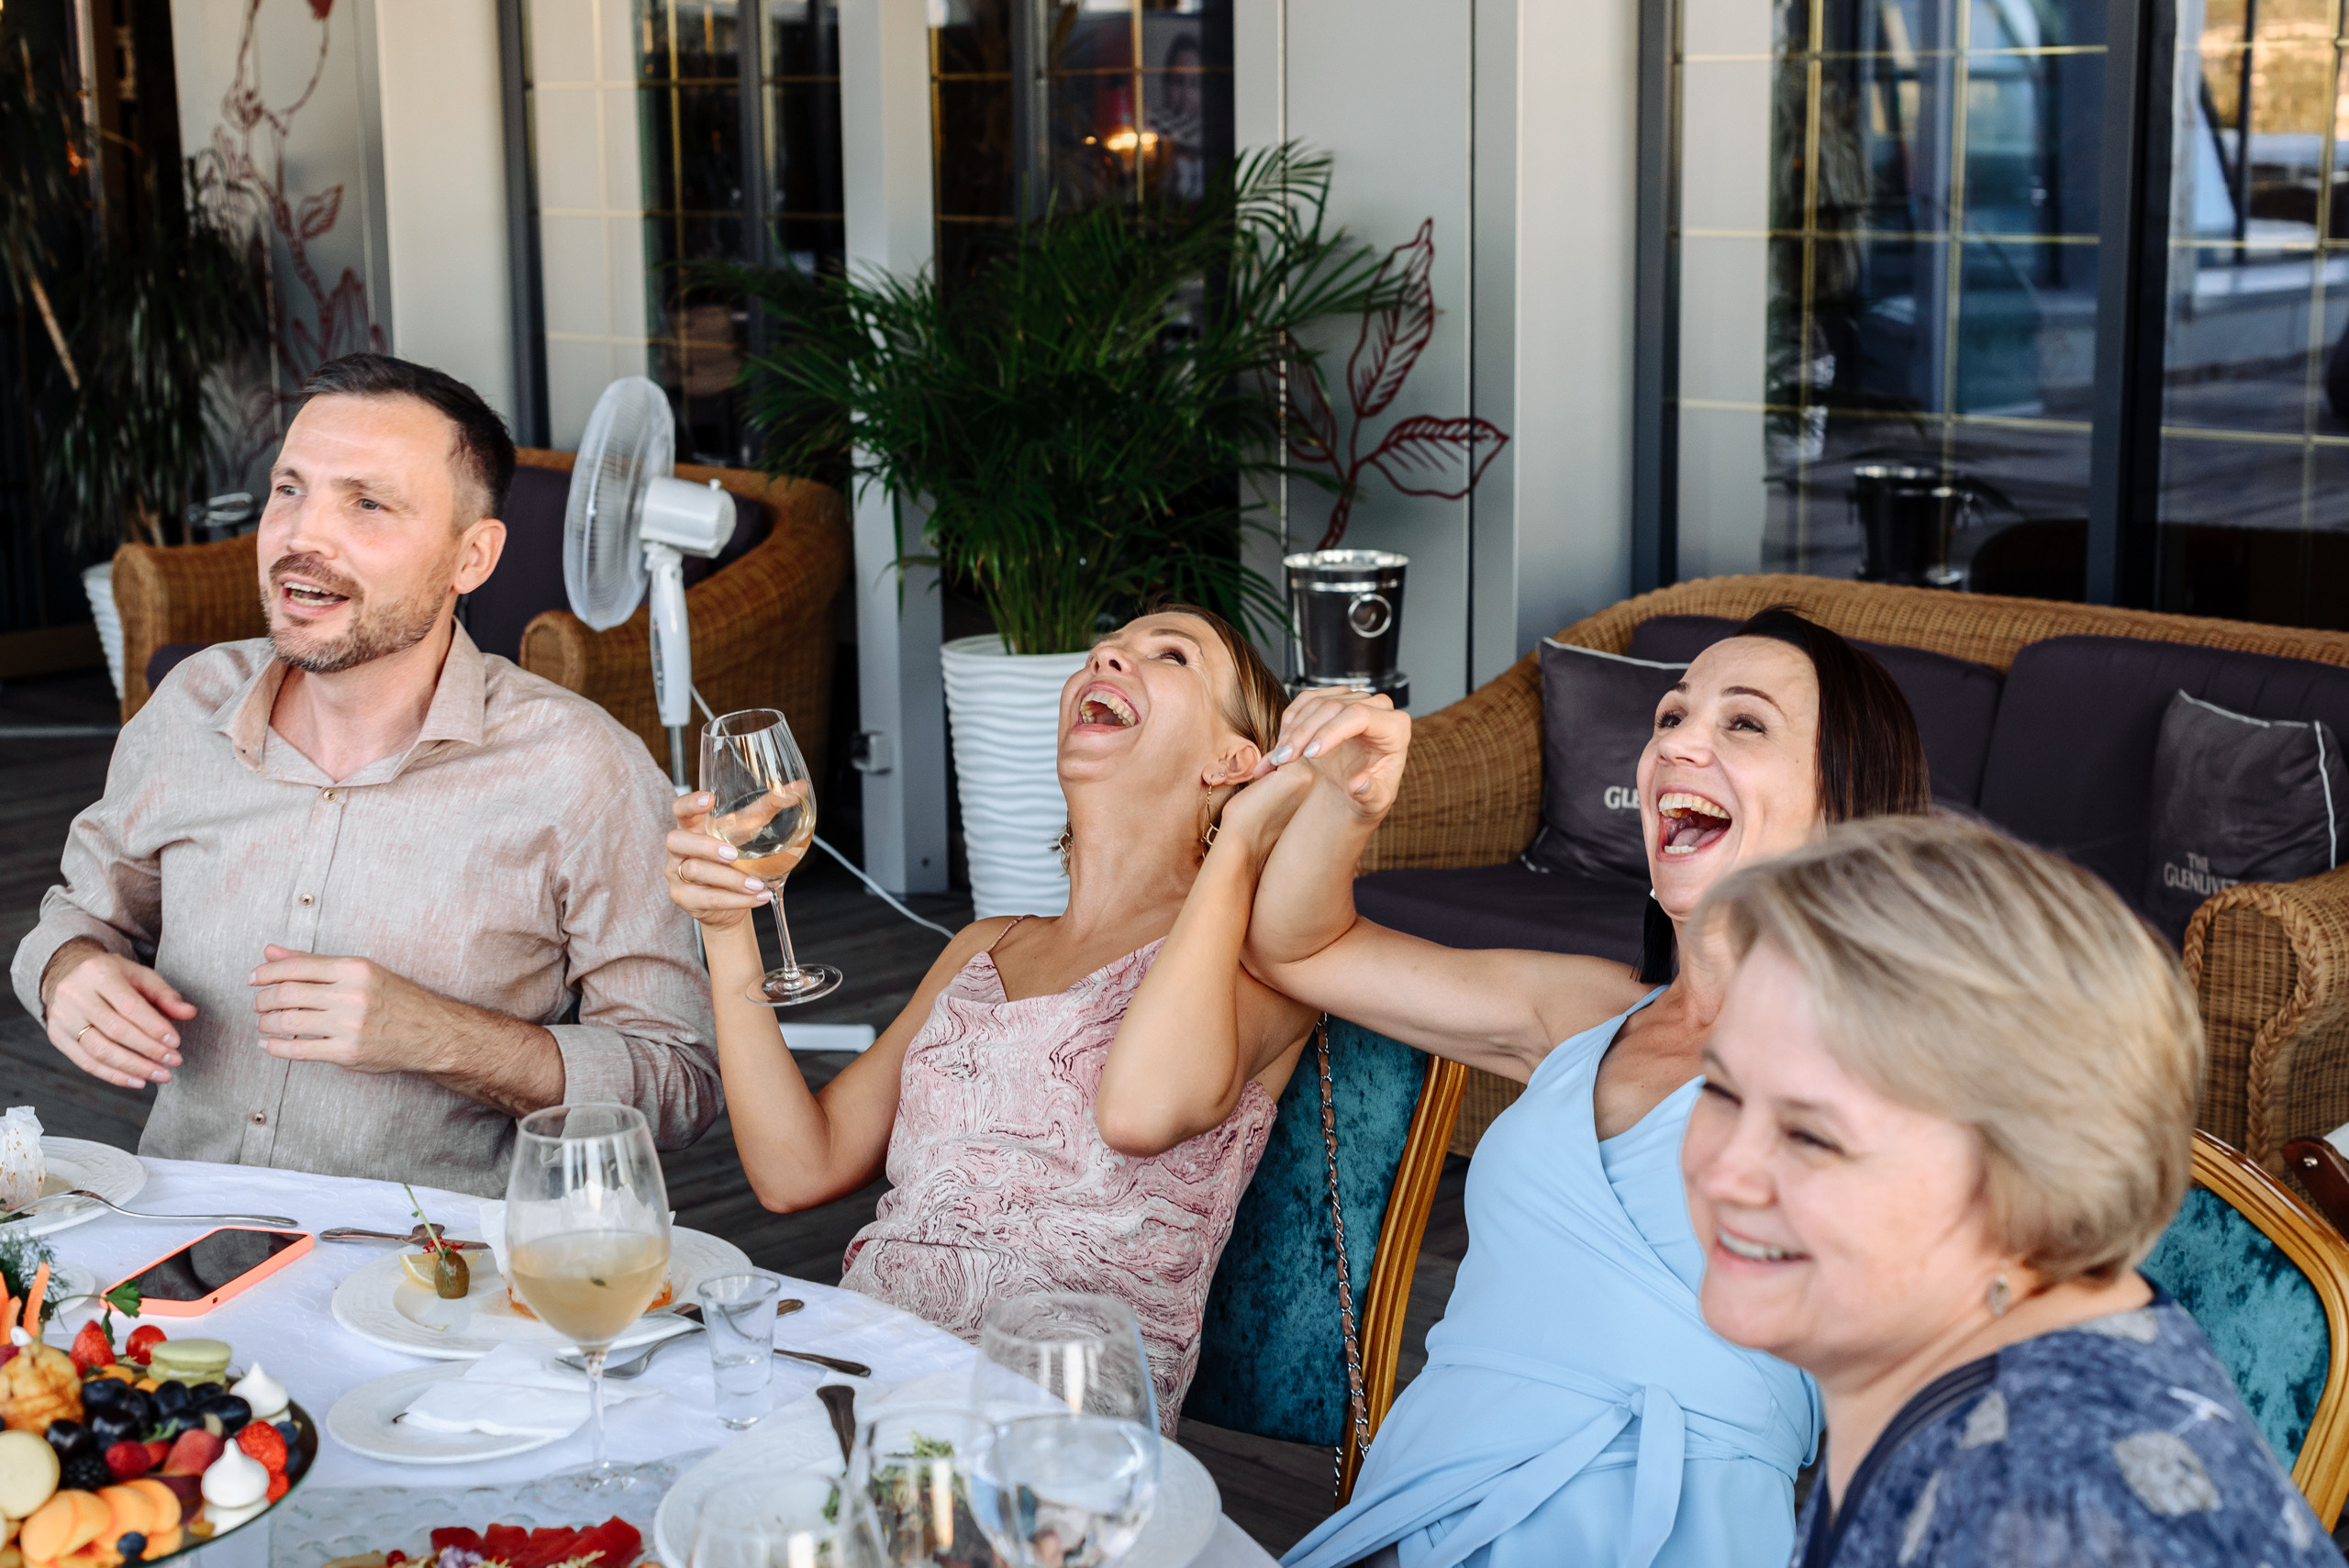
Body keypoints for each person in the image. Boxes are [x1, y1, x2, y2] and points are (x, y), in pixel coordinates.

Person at [1241, 609, 1932, 1568]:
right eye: (1668, 717)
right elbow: (1297, 945)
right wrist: (1345, 801)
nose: (1677, 742)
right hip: (1412, 1516)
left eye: (1743, 723)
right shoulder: (1581, 1012)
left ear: (1841, 806)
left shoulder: (1891, 1079)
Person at [10, 353, 718, 1195]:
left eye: (367, 503)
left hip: (437, 1293)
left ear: (472, 557)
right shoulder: (186, 707)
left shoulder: (580, 769)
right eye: (289, 489)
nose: (303, 536)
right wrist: (66, 973)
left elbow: (679, 1081)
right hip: (173, 1265)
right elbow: (76, 922)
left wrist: (438, 1036)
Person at [663, 606, 1317, 1429]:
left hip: (1051, 1418)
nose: (1109, 659)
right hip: (863, 1369)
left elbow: (1145, 1111)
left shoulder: (1260, 961)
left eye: (1169, 655)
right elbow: (797, 1168)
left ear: (1235, 760)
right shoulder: (984, 945)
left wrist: (1245, 845)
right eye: (1103, 649)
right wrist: (728, 932)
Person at [1685, 815, 2337, 1567]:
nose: (1724, 1169)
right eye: (1721, 1089)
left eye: (1812, 1136)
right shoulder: (1939, 1369)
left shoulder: (2043, 1513)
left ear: (2028, 1176)